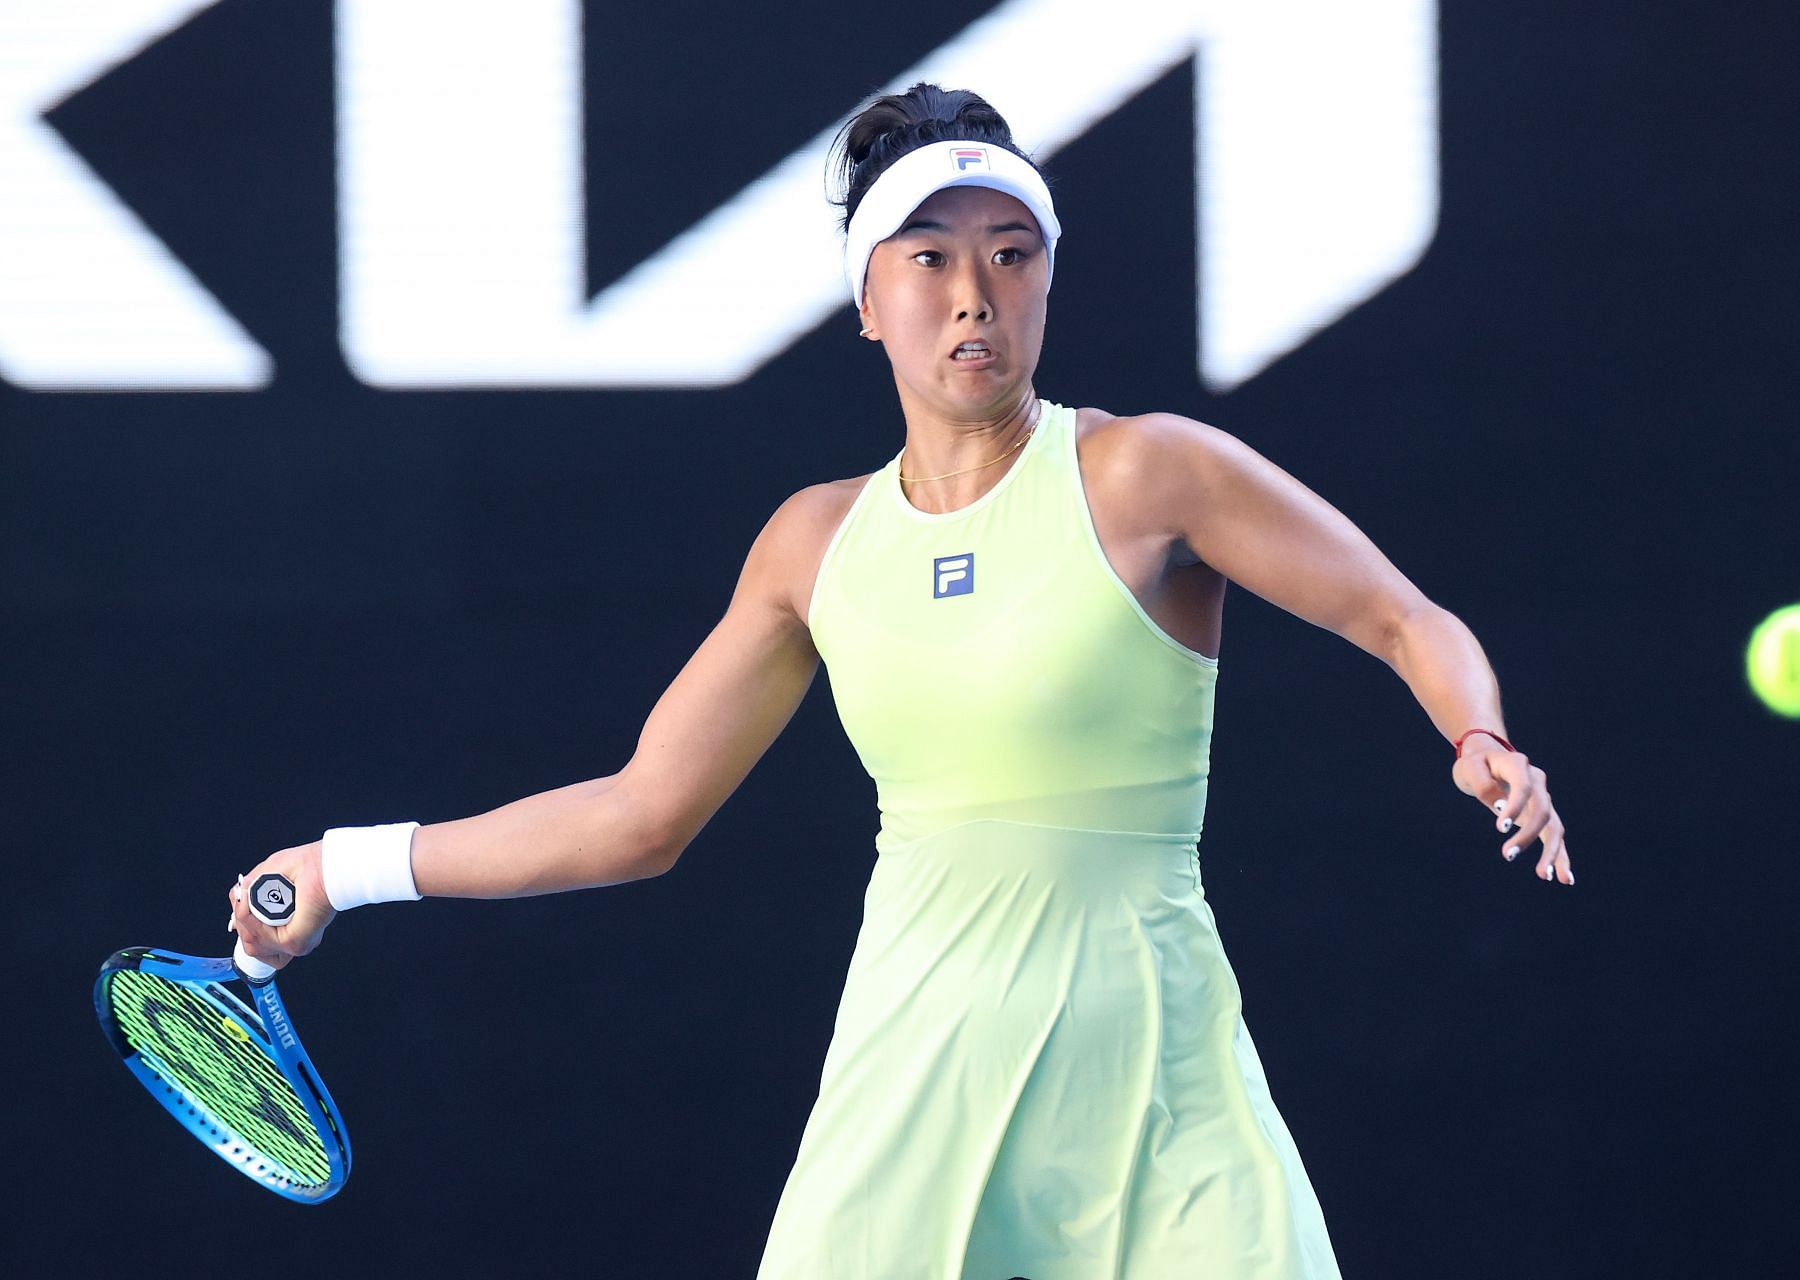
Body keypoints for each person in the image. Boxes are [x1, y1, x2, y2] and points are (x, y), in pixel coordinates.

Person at [232, 83, 1571, 1278]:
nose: (974, 293)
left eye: (1011, 254)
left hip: (1159, 1091)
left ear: (1049, 282)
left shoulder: (1150, 473)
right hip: (913, 1091)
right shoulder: (814, 546)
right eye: (928, 258)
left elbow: (1403, 616)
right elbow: (639, 816)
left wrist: (1478, 732)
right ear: (869, 303)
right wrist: (346, 866)